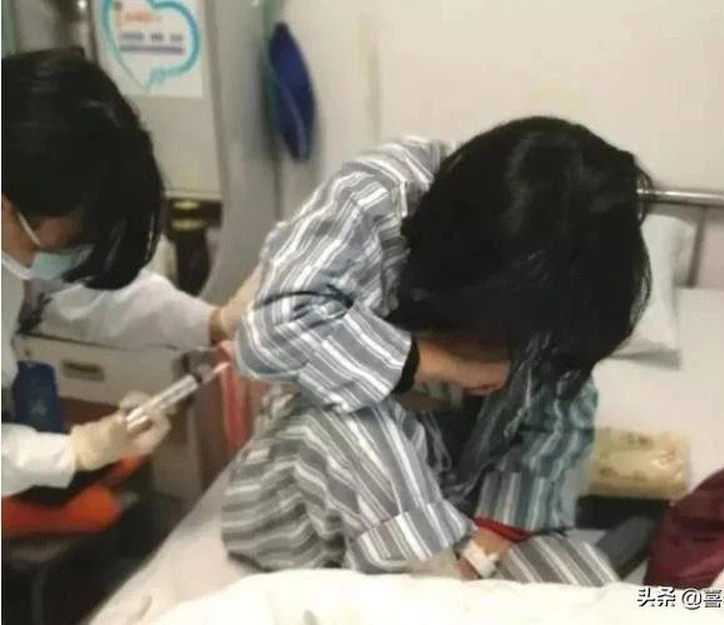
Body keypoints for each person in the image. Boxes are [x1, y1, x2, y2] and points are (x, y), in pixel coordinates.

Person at [221, 117, 651, 584]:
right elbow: (269, 333)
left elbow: (558, 415)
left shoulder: (567, 284)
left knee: (575, 582)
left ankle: (454, 580)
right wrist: (442, 363)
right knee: (362, 431)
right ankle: (431, 588)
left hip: (450, 506)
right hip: (307, 501)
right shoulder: (378, 197)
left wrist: (489, 543)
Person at [1, 50, 257, 497]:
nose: (47, 262)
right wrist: (78, 450)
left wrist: (212, 322)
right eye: (45, 246)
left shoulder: (19, 230)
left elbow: (83, 294)